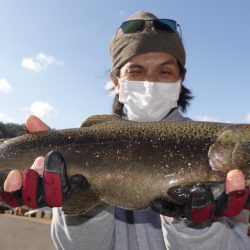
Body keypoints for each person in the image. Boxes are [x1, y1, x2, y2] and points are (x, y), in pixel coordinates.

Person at [1, 11, 250, 250]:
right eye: (136, 71)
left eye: (164, 71)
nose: (150, 82)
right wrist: (82, 204)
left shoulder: (236, 187)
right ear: (116, 80)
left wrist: (199, 227)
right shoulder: (63, 157)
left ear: (180, 78)